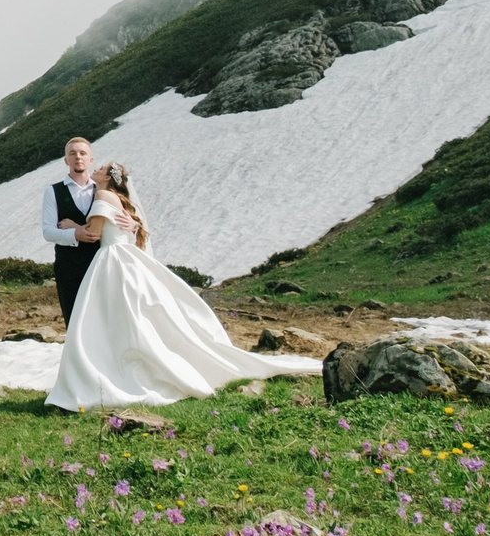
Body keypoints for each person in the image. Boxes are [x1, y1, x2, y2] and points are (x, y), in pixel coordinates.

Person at [43, 161, 317, 412]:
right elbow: (128, 229)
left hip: (112, 261)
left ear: (108, 178)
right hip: (127, 260)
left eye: (101, 167)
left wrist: (71, 225)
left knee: (110, 318)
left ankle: (114, 367)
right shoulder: (122, 201)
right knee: (130, 317)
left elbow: (93, 234)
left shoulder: (103, 195)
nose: (96, 168)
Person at [41, 136, 100, 323]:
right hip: (68, 267)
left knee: (100, 320)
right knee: (74, 321)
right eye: (72, 153)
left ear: (91, 159)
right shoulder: (53, 191)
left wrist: (131, 224)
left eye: (83, 153)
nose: (78, 157)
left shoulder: (103, 191)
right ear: (66, 160)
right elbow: (48, 232)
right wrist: (76, 234)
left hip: (99, 265)